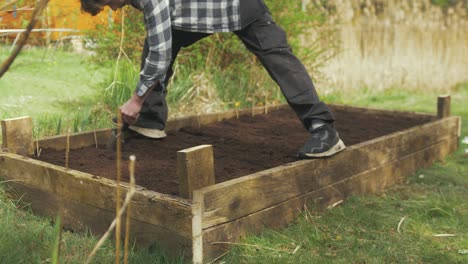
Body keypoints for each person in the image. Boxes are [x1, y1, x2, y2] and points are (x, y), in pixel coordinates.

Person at [80, 0, 345, 158]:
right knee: (158, 41)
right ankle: (150, 122)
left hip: (240, 7)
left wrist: (136, 100)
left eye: (106, 3)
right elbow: (160, 44)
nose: (111, 8)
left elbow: (160, 55)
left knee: (278, 57)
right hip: (197, 13)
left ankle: (322, 129)